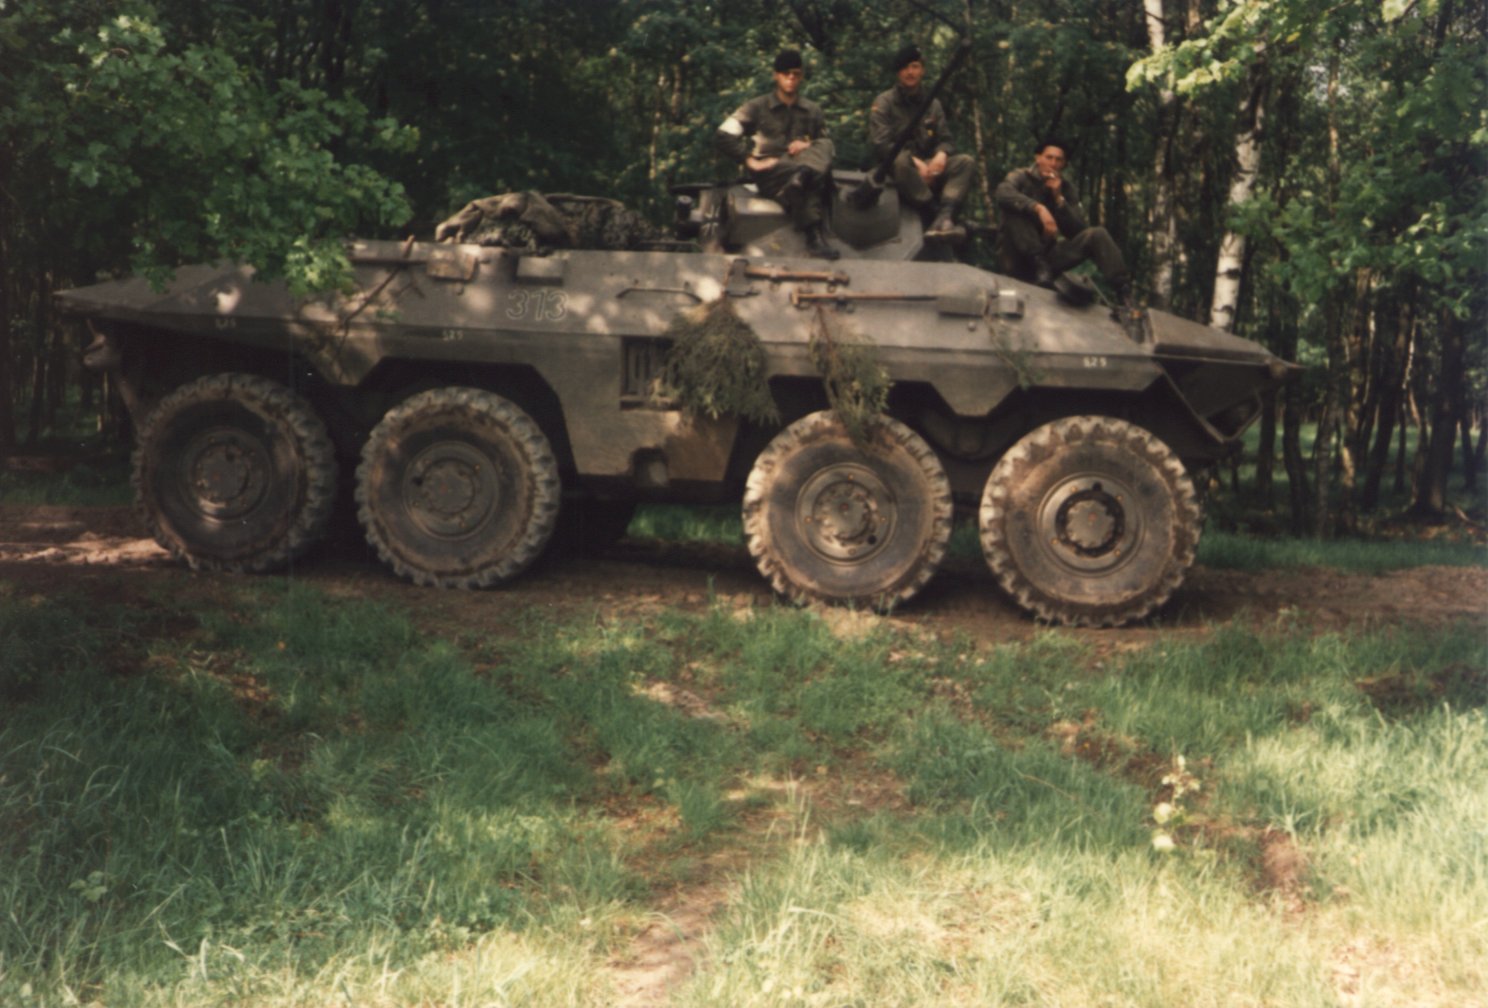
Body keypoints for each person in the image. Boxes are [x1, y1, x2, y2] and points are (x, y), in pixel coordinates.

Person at [716, 48, 839, 259]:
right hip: (771, 173)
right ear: (776, 75)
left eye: (796, 74)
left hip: (802, 174)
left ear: (801, 76)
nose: (791, 78)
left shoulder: (813, 111)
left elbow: (825, 151)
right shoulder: (756, 107)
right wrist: (749, 160)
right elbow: (723, 134)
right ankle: (814, 236)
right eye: (785, 73)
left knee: (825, 146)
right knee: (810, 177)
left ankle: (802, 176)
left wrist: (807, 145)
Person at [995, 138, 1136, 307]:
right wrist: (1039, 208)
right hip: (1014, 257)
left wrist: (1059, 199)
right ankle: (1038, 264)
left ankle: (1123, 291)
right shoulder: (1020, 176)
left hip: (1048, 261)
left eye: (1058, 160)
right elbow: (1002, 193)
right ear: (1038, 158)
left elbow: (1077, 231)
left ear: (1064, 164)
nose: (1053, 164)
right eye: (1049, 157)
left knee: (1097, 234)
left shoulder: (1066, 188)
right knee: (1015, 209)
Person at [868, 44, 976, 240]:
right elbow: (882, 144)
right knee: (901, 161)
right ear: (898, 72)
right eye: (905, 68)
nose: (910, 72)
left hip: (928, 166)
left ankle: (945, 215)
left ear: (922, 70)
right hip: (897, 167)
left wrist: (941, 155)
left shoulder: (933, 104)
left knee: (965, 162)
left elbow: (946, 139)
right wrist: (916, 164)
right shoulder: (884, 102)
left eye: (915, 66)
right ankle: (932, 211)